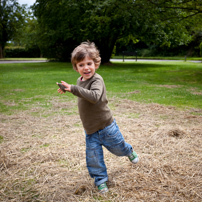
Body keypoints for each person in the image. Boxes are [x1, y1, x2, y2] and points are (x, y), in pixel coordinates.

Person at [57, 41, 139, 194]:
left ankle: (128, 151)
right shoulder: (79, 81)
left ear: (95, 63)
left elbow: (94, 97)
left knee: (118, 148)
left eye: (89, 63)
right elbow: (81, 94)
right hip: (91, 130)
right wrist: (70, 89)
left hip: (107, 127)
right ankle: (100, 180)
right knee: (93, 158)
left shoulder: (97, 80)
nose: (86, 68)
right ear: (76, 68)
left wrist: (74, 89)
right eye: (81, 65)